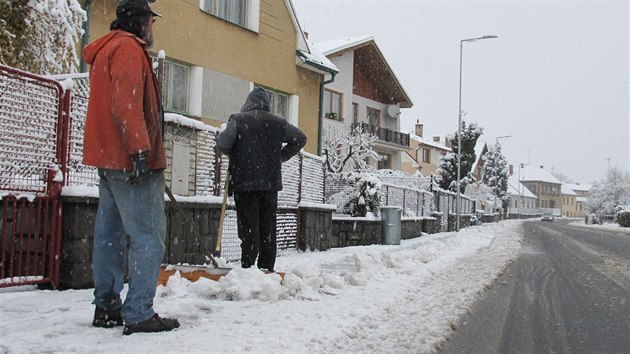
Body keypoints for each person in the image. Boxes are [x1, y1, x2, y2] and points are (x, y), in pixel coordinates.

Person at [82, 0, 179, 335]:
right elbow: (127, 101)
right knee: (148, 236)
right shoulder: (127, 48)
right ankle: (138, 311)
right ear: (138, 22)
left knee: (108, 235)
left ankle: (107, 307)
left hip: (107, 158)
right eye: (150, 22)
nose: (152, 28)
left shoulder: (106, 49)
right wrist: (140, 150)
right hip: (131, 160)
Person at [217, 88, 307, 272]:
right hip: (270, 184)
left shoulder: (238, 120)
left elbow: (223, 144)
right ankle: (266, 269)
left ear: (248, 103)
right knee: (268, 229)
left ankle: (248, 269)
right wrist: (280, 156)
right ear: (267, 104)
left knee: (249, 229)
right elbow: (300, 138)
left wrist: (235, 153)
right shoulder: (279, 123)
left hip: (245, 183)